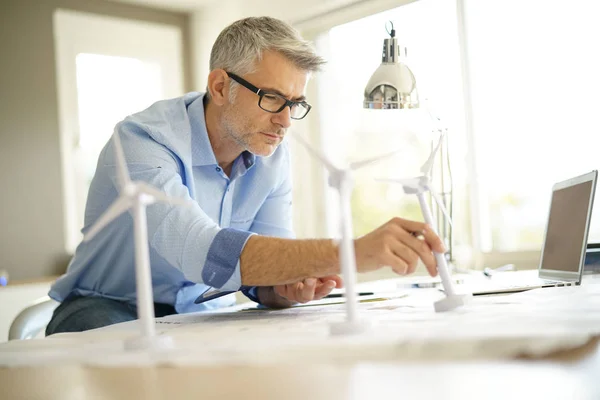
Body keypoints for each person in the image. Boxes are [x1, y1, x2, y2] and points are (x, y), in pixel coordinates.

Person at [46, 16, 444, 335]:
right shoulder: (140, 141)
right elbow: (201, 251)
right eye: (271, 98)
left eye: (295, 103)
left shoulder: (271, 155)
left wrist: (285, 287)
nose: (286, 120)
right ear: (220, 87)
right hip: (108, 308)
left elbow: (263, 274)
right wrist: (354, 252)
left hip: (204, 314)